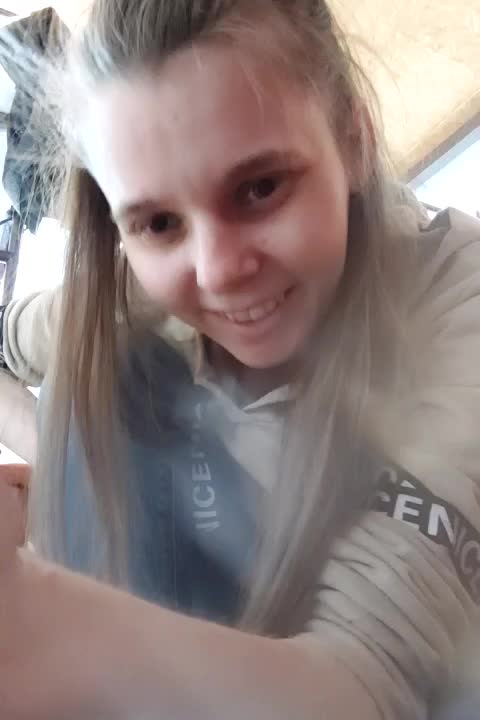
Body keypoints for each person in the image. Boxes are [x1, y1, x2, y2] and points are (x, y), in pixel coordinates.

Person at [1, 0, 480, 718]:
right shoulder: (134, 291)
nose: (218, 271)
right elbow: (22, 336)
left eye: (259, 189)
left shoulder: (460, 310)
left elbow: (369, 687)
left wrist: (31, 613)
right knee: (103, 360)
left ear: (355, 139)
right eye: (159, 222)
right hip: (199, 617)